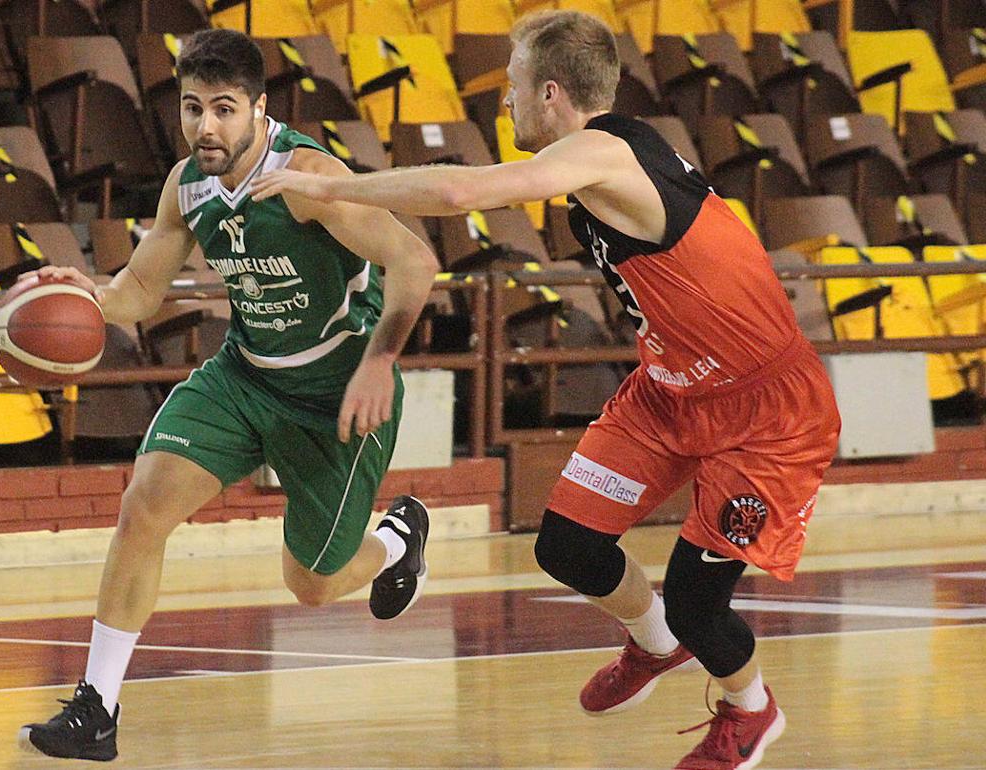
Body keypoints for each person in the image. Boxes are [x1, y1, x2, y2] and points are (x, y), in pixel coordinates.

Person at [252, 10, 840, 770]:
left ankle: (749, 710)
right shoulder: (604, 154)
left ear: (552, 91)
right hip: (669, 388)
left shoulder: (601, 152)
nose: (506, 102)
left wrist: (328, 186)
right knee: (567, 544)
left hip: (763, 410)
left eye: (513, 87)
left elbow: (466, 192)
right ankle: (655, 645)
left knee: (700, 602)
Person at [17, 28, 439, 762]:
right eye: (191, 108)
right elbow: (142, 289)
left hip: (336, 394)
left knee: (312, 585)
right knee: (143, 507)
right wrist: (85, 295)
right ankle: (98, 709)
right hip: (245, 375)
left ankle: (399, 539)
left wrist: (382, 361)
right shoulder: (189, 185)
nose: (206, 126)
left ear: (258, 108)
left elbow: (416, 261)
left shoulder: (307, 176)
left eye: (223, 108)